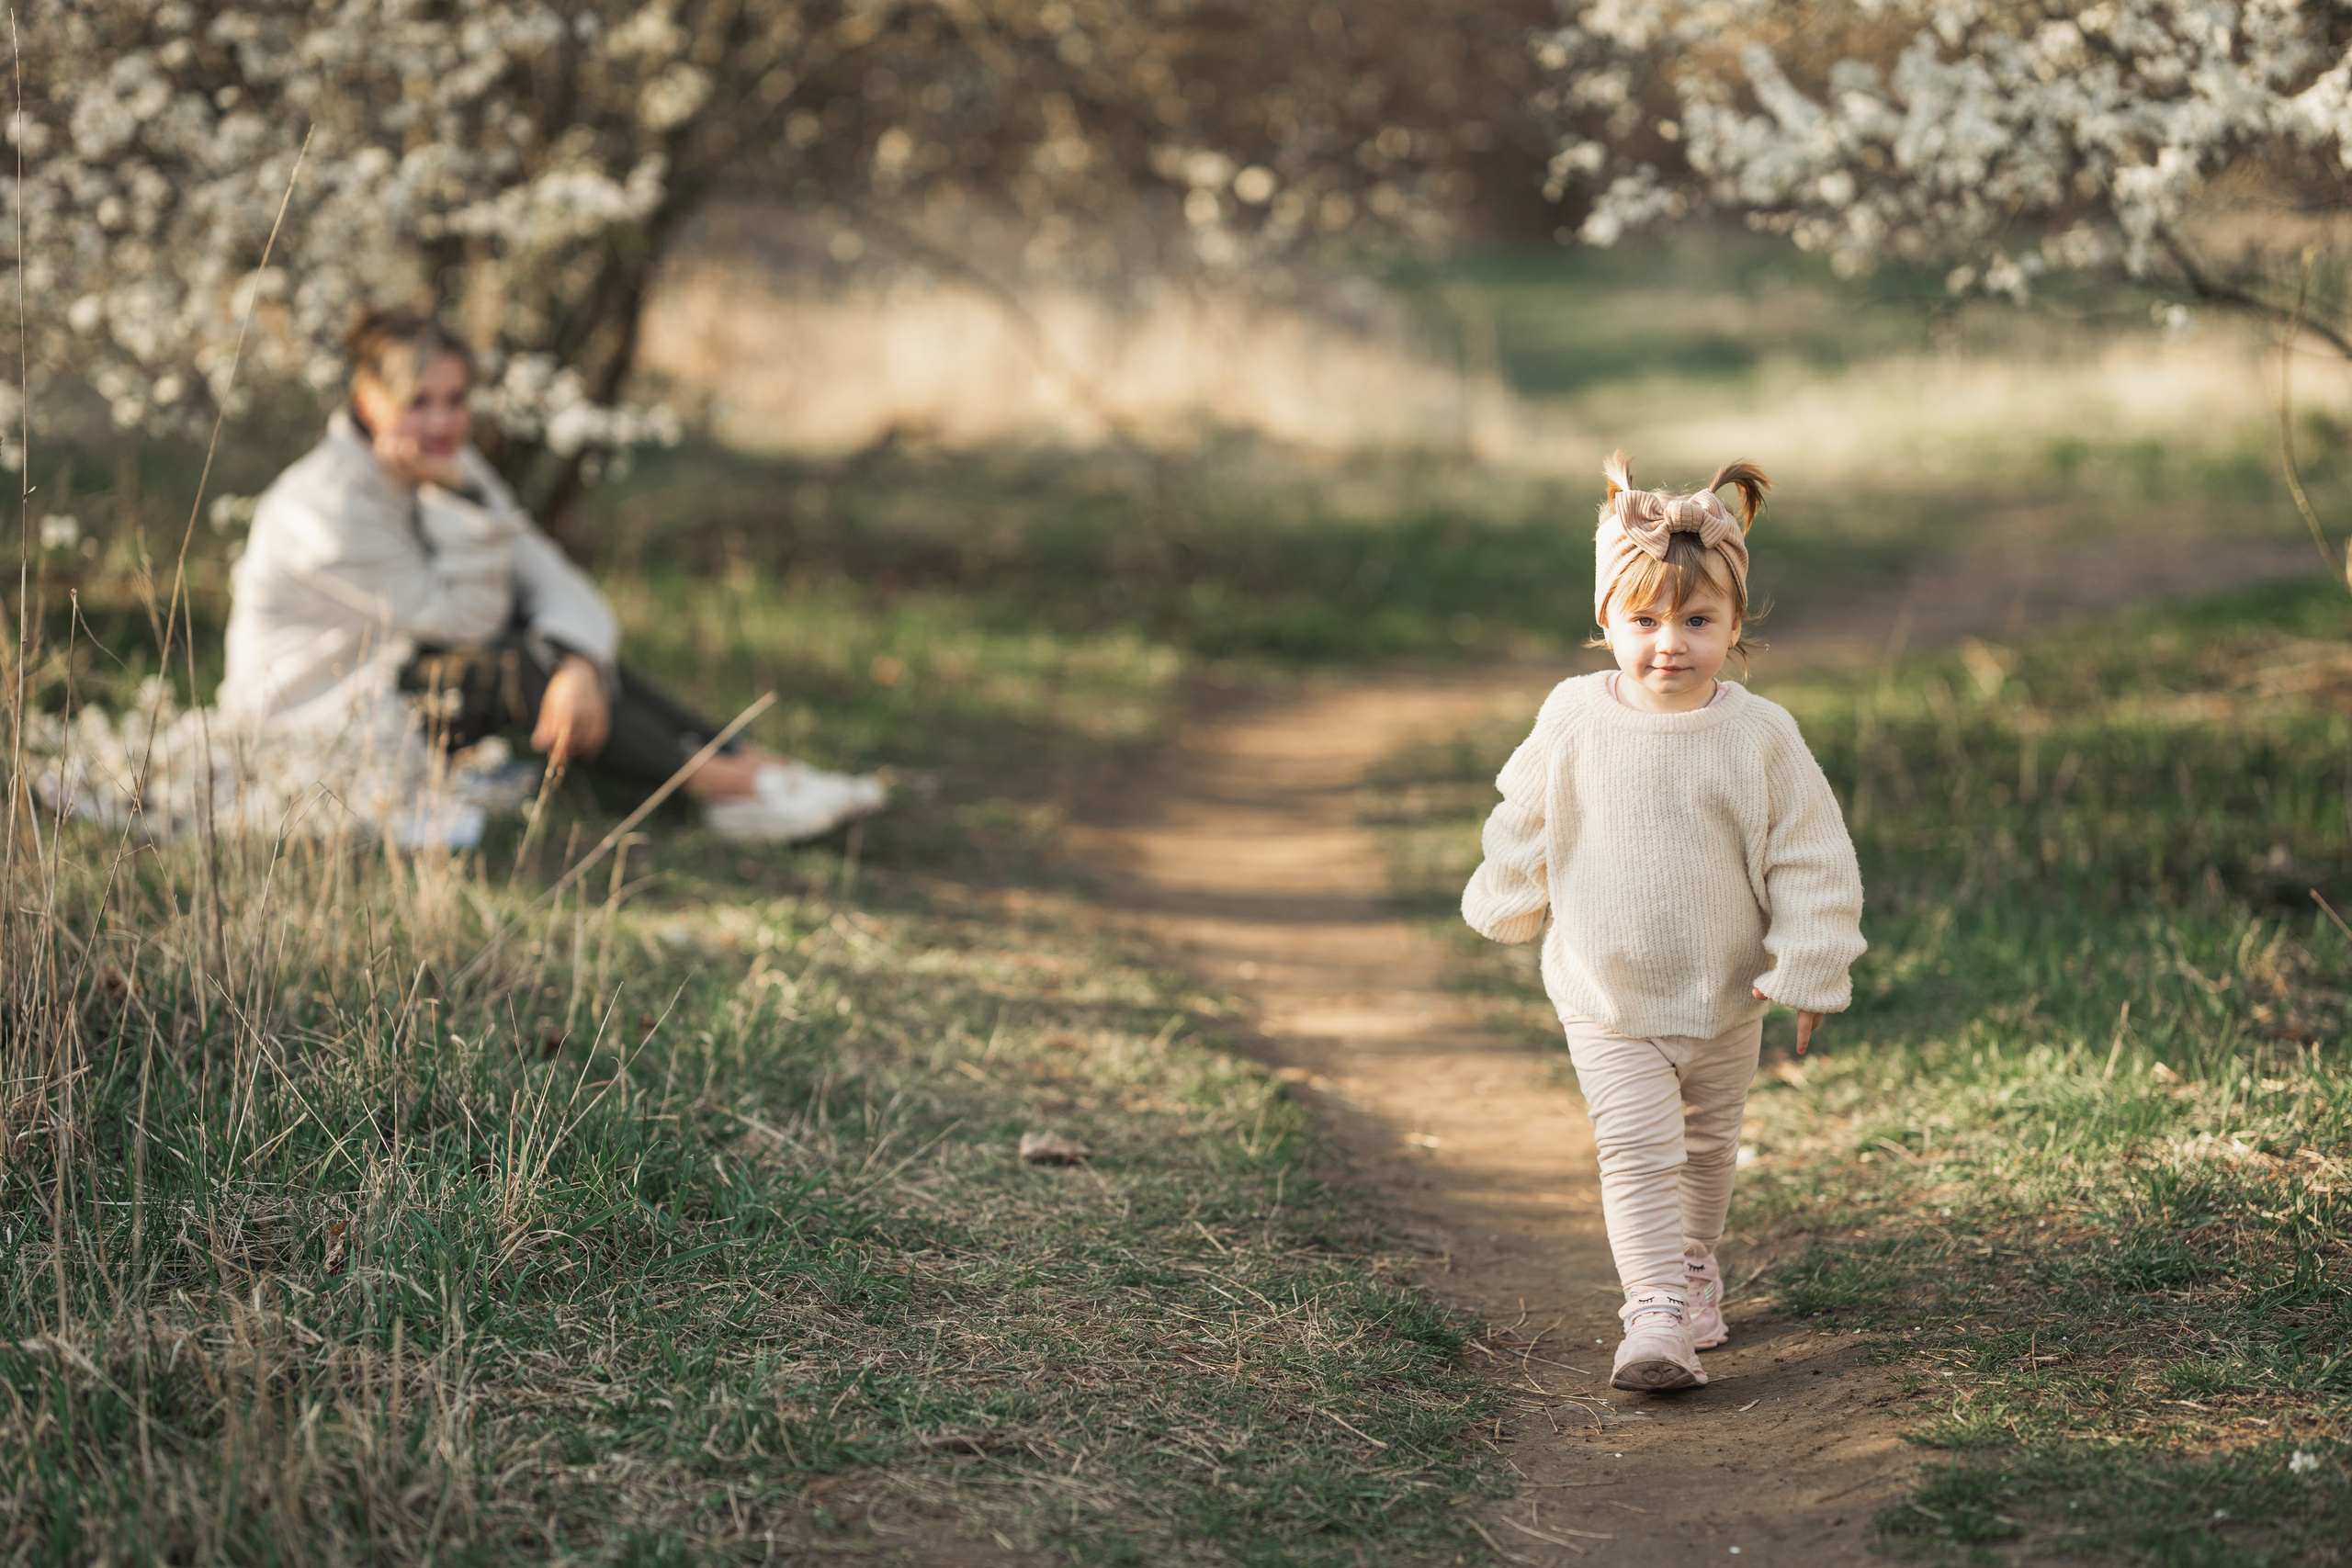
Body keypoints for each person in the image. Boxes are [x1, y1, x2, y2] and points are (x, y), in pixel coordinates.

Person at [1459, 450, 1865, 1393]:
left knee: (1707, 1149)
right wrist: (1508, 891)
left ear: (1735, 627)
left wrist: (1809, 964)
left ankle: (1690, 1263)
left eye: (1696, 620)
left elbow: (1810, 856)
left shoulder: (1760, 735)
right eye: (1643, 620)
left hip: (1727, 995)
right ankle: (1652, 1313)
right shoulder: (1571, 718)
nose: (1668, 642)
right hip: (1606, 993)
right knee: (1637, 1147)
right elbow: (1526, 814)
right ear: (1606, 620)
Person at [219, 308, 885, 841]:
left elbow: (551, 575)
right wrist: (455, 503)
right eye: (418, 401)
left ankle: (752, 769)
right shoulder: (326, 506)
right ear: (368, 402)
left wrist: (579, 664)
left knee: (548, 649)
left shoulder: (449, 463)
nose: (443, 421)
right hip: (321, 720)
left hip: (410, 680)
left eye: (455, 399)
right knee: (513, 659)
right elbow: (468, 622)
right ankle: (729, 786)